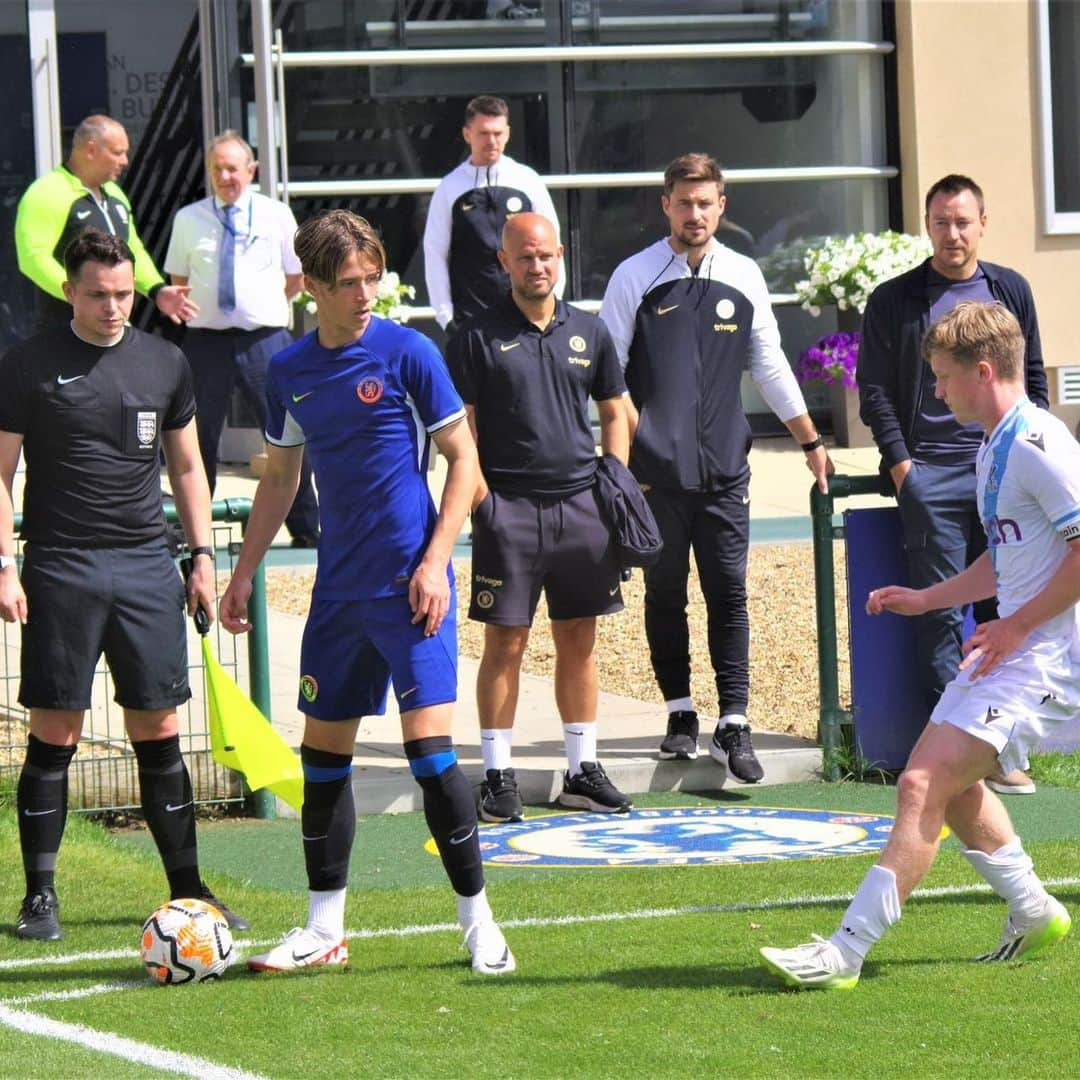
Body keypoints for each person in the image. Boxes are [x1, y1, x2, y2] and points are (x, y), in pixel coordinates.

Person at [219, 210, 514, 975]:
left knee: (431, 759)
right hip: (338, 596)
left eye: (371, 278)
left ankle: (479, 923)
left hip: (412, 588)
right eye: (347, 283)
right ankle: (324, 930)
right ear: (310, 287)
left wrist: (434, 561)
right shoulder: (288, 372)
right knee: (322, 765)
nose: (364, 295)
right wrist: (244, 572)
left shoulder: (410, 351)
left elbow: (465, 463)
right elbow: (280, 479)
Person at [761, 302, 1077, 990]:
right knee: (949, 785)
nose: (934, 392)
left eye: (940, 378)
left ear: (983, 371)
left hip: (1045, 659)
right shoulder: (995, 441)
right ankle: (1034, 909)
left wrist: (1018, 626)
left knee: (920, 783)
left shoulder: (1036, 444)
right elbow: (1010, 558)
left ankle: (845, 952)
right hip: (1009, 652)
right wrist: (926, 598)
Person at [0, 231, 245, 941]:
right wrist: (5, 568)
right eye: (99, 294)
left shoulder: (165, 361)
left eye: (124, 294)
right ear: (69, 292)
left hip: (145, 565)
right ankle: (39, 897)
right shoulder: (26, 365)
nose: (114, 307)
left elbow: (190, 469)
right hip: (61, 563)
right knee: (57, 730)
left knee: (160, 726)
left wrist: (201, 555)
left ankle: (189, 892)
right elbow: (2, 473)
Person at [599, 153, 831, 780]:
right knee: (665, 594)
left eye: (706, 203)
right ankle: (679, 714)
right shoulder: (634, 276)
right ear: (665, 205)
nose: (694, 213)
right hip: (655, 477)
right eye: (683, 202)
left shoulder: (745, 274)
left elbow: (770, 363)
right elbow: (607, 373)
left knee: (729, 594)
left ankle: (734, 722)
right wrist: (633, 446)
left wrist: (810, 438)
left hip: (726, 470)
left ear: (722, 206)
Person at [858, 174, 1050, 794]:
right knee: (940, 610)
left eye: (963, 221)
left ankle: (998, 748)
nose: (952, 233)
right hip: (931, 475)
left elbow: (1033, 379)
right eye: (941, 222)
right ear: (927, 225)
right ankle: (956, 750)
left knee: (1008, 607)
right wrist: (902, 467)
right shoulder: (895, 299)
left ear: (983, 223)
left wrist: (1029, 453)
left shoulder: (1008, 290)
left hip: (1003, 469)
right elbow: (875, 390)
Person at [446, 213, 632, 823]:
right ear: (504, 261)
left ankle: (581, 770)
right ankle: (497, 775)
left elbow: (614, 412)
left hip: (583, 507)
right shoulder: (473, 334)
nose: (538, 267)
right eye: (525, 257)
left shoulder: (590, 329)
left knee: (579, 641)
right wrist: (482, 503)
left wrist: (615, 477)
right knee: (506, 642)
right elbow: (460, 430)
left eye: (547, 256)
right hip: (510, 512)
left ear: (561, 257)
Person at [164, 130, 320, 547]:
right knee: (198, 437)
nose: (225, 176)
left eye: (233, 168)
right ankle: (194, 533)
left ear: (251, 170)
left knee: (288, 431)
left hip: (264, 340)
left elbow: (295, 277)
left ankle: (306, 528)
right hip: (206, 342)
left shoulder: (276, 215)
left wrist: (261, 305)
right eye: (217, 169)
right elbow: (179, 280)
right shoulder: (188, 218)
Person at [14, 115, 197, 332]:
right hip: (65, 332)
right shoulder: (47, 192)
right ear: (91, 150)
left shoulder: (115, 194)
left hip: (114, 329)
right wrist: (82, 294)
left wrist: (156, 290)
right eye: (118, 152)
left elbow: (132, 249)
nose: (125, 161)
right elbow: (33, 258)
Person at [423, 95, 565, 335]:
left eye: (498, 133)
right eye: (483, 133)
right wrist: (447, 318)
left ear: (508, 133)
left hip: (526, 319)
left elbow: (554, 247)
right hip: (470, 323)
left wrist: (553, 304)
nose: (492, 141)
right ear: (467, 134)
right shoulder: (449, 187)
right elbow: (435, 254)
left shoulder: (528, 181)